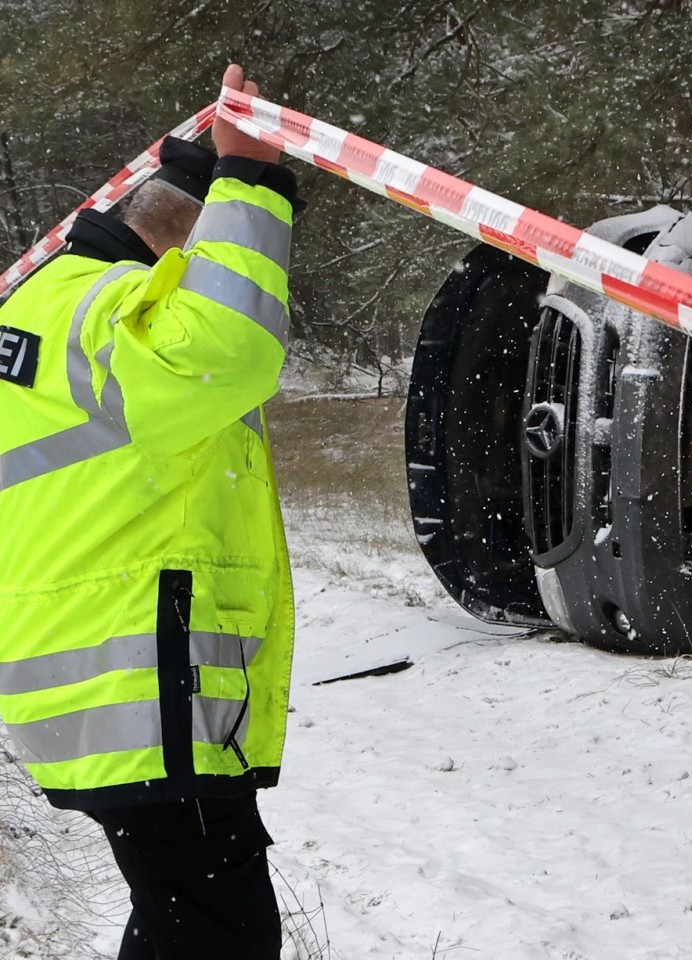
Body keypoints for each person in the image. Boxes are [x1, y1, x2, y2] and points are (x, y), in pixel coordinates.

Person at [0, 63, 301, 959]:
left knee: (188, 916)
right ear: (178, 232)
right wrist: (255, 184)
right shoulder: (102, 308)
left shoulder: (40, 311)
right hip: (141, 672)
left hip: (100, 677)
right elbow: (227, 352)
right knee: (215, 930)